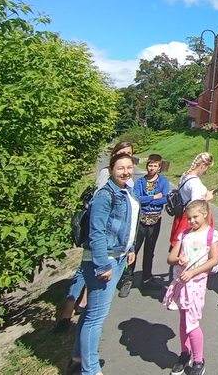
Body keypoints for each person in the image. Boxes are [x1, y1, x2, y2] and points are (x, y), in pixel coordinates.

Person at [68, 153, 138, 375]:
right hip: (104, 260)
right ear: (111, 170)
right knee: (95, 317)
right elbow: (97, 232)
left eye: (129, 168)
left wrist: (130, 248)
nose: (125, 172)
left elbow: (127, 223)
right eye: (120, 168)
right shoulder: (105, 195)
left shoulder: (126, 191)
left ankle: (78, 359)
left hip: (117, 256)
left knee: (91, 311)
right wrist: (102, 265)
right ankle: (90, 370)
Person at [56, 143, 134, 333]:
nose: (125, 168)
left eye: (129, 155)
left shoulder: (129, 184)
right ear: (113, 157)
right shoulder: (106, 180)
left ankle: (83, 303)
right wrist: (102, 262)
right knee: (83, 276)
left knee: (92, 305)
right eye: (121, 154)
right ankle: (67, 312)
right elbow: (99, 218)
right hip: (101, 246)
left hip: (117, 247)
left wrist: (130, 247)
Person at [164, 200, 218, 375]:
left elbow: (214, 259)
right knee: (183, 319)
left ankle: (198, 360)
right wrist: (178, 260)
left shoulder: (212, 235)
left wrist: (193, 271)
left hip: (196, 284)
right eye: (189, 218)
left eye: (195, 217)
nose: (192, 221)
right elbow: (171, 258)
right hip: (181, 282)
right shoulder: (184, 235)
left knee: (192, 321)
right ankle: (184, 353)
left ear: (205, 214)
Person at [118, 153, 170, 297]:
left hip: (155, 220)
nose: (152, 168)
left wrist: (148, 200)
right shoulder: (140, 182)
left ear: (159, 167)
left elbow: (165, 198)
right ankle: (127, 278)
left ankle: (146, 278)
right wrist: (154, 197)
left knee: (150, 250)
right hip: (140, 220)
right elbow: (136, 199)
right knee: (134, 249)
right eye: (150, 165)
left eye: (155, 166)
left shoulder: (163, 181)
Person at [169, 153, 215, 250]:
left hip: (181, 214)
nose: (206, 170)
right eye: (207, 167)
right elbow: (195, 206)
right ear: (203, 165)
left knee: (177, 244)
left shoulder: (185, 175)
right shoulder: (195, 183)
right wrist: (207, 198)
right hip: (190, 218)